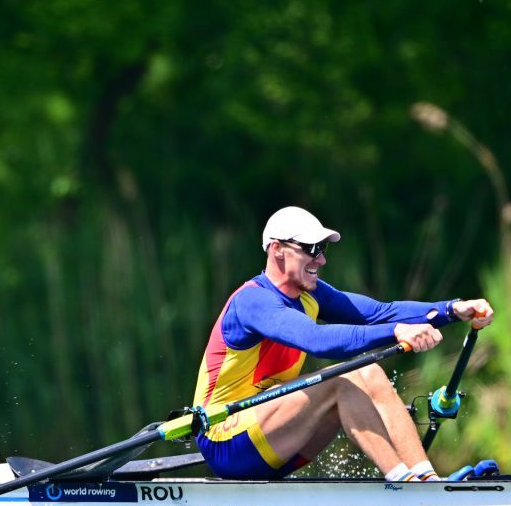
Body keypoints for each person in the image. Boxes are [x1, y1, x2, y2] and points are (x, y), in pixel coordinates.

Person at [191, 206, 494, 482]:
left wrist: (451, 309)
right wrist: (398, 332)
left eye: (321, 249)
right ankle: (403, 485)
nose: (321, 259)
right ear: (277, 250)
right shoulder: (252, 301)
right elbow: (317, 340)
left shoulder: (311, 294)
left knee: (371, 373)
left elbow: (379, 313)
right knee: (342, 382)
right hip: (223, 440)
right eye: (311, 249)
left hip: (268, 433)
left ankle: (426, 480)